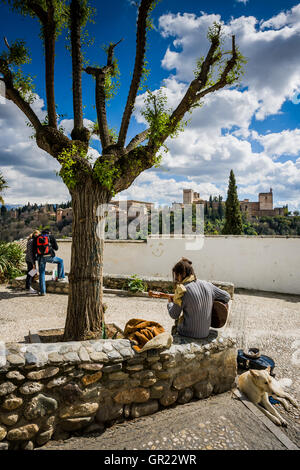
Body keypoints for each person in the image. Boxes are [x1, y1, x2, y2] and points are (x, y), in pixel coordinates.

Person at [167, 257, 230, 339]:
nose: (177, 280)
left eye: (177, 276)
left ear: (181, 274)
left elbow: (174, 315)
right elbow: (227, 297)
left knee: (176, 323)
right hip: (205, 333)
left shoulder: (182, 291)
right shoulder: (208, 285)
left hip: (188, 333)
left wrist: (170, 303)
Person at [33, 229, 66, 296]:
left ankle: (43, 292)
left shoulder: (37, 238)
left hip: (40, 257)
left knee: (42, 273)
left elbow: (34, 249)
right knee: (60, 261)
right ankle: (60, 277)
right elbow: (56, 248)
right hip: (49, 256)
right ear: (49, 232)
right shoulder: (51, 237)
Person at [25, 230, 40, 294]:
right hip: (30, 259)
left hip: (28, 259)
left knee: (32, 272)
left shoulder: (30, 240)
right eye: (37, 235)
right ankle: (28, 288)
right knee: (30, 273)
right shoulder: (32, 241)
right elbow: (30, 253)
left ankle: (28, 286)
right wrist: (33, 263)